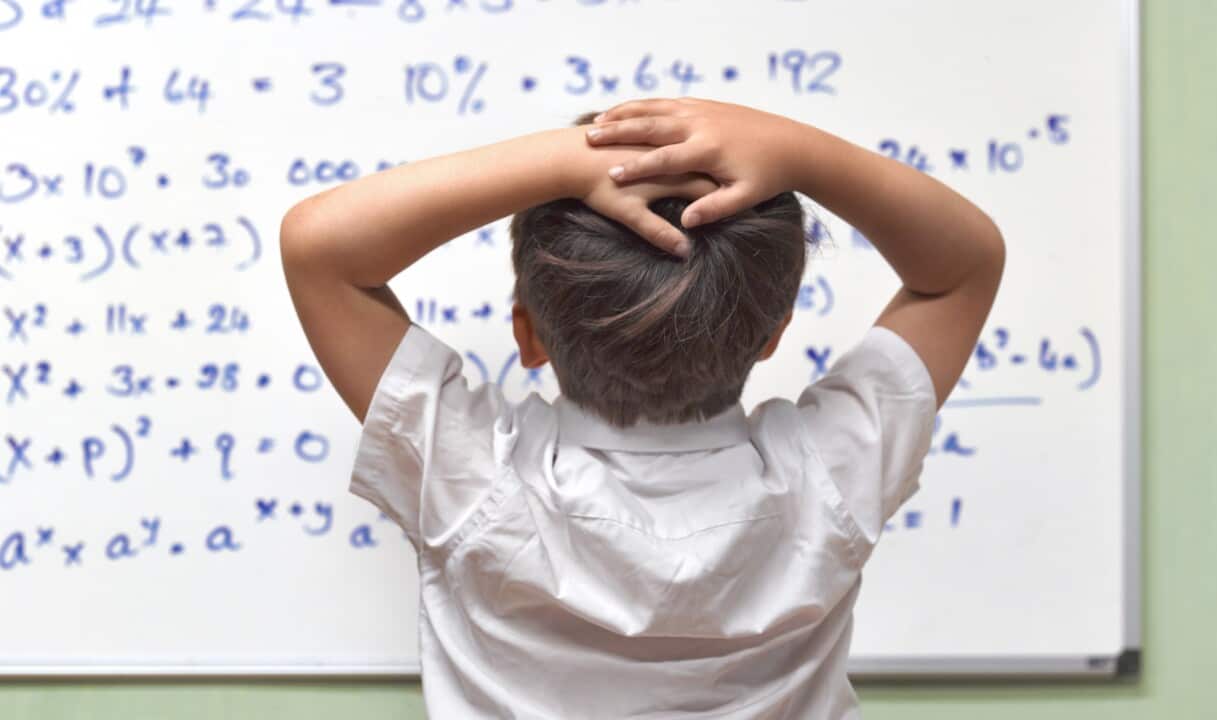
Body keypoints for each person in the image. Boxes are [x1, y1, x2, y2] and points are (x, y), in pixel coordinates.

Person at [279, 97, 1005, 719]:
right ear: (773, 336)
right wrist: (800, 153)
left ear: (526, 334)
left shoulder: (473, 481)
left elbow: (317, 246)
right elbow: (962, 269)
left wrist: (567, 161)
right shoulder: (828, 477)